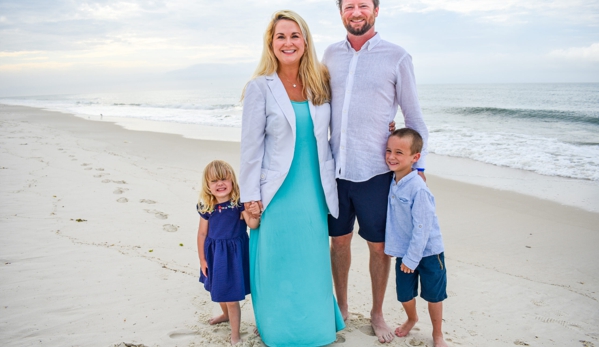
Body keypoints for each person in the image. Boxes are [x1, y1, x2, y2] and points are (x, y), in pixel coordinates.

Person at [322, 0, 430, 343]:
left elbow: (414, 119)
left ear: (376, 10)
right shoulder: (329, 55)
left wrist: (418, 167)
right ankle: (341, 307)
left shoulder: (397, 56)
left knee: (379, 247)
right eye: (349, 6)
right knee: (338, 242)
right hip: (335, 169)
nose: (356, 12)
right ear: (341, 12)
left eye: (363, 5)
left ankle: (377, 312)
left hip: (376, 173)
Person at [239, 10, 345, 346]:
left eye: (294, 36)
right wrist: (249, 197)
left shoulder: (319, 82)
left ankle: (316, 328)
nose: (288, 42)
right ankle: (279, 331)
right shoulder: (260, 87)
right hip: (277, 194)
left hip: (314, 191)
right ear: (271, 43)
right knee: (277, 262)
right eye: (281, 36)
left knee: (311, 262)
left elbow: (342, 126)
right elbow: (250, 149)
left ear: (305, 41)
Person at [384, 128, 447, 347]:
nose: (392, 156)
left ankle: (437, 334)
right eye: (389, 150)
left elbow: (422, 227)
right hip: (405, 250)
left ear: (415, 157)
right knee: (404, 294)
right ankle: (412, 318)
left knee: (433, 295)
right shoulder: (392, 180)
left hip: (429, 252)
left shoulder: (418, 189)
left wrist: (412, 258)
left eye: (399, 152)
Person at [196, 160, 260, 345]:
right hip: (214, 255)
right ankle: (224, 314)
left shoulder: (239, 204)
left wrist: (254, 213)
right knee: (217, 290)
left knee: (231, 298)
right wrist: (202, 259)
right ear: (207, 185)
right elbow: (201, 234)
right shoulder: (206, 206)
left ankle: (235, 335)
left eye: (224, 179)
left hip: (234, 256)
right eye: (214, 181)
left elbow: (253, 225)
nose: (220, 184)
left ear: (232, 180)